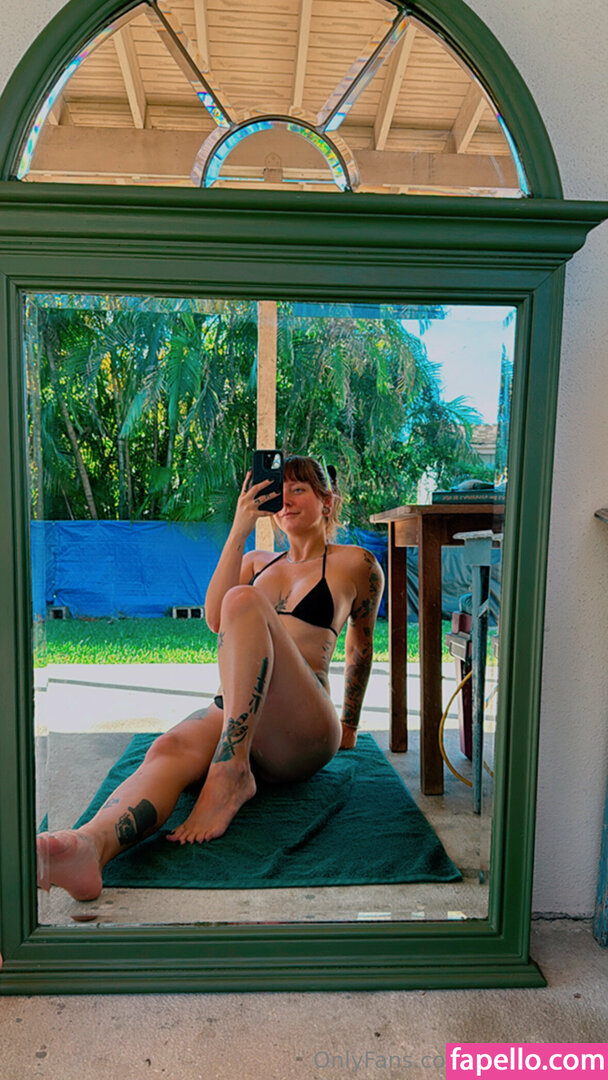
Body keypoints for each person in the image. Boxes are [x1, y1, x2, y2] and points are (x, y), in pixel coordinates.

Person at [37, 455, 384, 901]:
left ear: (327, 500)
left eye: (299, 490)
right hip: (237, 713)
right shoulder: (256, 563)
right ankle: (90, 845)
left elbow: (360, 646)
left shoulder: (354, 563)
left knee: (244, 600)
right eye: (279, 491)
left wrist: (350, 724)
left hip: (302, 728)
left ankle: (231, 770)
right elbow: (215, 618)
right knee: (168, 748)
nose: (286, 501)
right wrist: (240, 528)